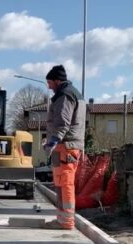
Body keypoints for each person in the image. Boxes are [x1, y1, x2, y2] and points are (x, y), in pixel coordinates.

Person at [42, 65, 85, 230]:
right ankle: (62, 219)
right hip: (67, 145)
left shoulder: (64, 95)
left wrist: (52, 142)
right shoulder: (71, 93)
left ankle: (66, 221)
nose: (49, 86)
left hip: (66, 146)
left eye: (50, 82)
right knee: (61, 183)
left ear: (58, 81)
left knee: (65, 183)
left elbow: (63, 123)